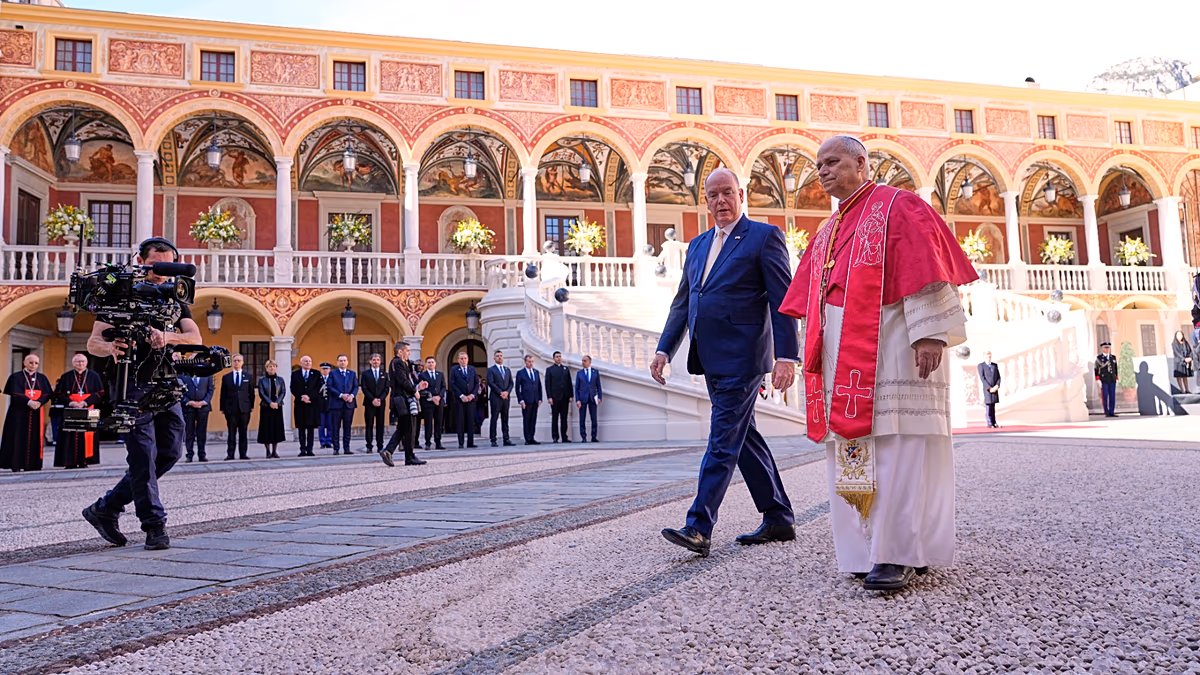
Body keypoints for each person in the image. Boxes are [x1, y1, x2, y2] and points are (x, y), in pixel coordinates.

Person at [777, 136, 978, 591]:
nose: (823, 171)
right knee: (854, 453)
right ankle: (864, 551)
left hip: (894, 348)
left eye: (833, 162)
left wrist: (930, 332)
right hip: (842, 361)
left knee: (899, 448)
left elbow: (926, 268)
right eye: (819, 165)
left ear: (861, 164)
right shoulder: (827, 230)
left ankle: (897, 554)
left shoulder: (898, 206)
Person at [651, 167, 799, 560]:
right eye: (713, 194)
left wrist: (786, 356)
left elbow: (782, 299)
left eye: (727, 193)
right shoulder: (698, 245)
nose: (721, 201)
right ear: (705, 200)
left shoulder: (763, 237)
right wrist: (664, 349)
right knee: (743, 437)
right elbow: (684, 301)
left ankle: (699, 526)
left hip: (744, 357)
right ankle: (778, 516)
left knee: (721, 441)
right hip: (710, 356)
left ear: (741, 194)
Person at [82, 237, 203, 550]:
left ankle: (106, 507)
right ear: (141, 261)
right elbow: (93, 342)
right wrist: (110, 347)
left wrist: (167, 335)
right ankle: (154, 526)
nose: (161, 273)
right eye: (155, 266)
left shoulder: (175, 298)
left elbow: (194, 337)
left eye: (168, 266)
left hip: (166, 381)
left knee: (171, 451)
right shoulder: (119, 294)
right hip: (130, 383)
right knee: (142, 455)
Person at [2, 353, 53, 472]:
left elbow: (47, 394)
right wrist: (29, 401)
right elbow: (15, 393)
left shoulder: (42, 378)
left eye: (36, 363)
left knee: (35, 437)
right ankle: (16, 464)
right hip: (19, 413)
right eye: (31, 363)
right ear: (24, 363)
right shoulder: (16, 377)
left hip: (36, 412)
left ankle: (33, 464)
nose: (33, 365)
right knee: (17, 437)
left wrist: (39, 402)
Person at [380, 341, 428, 467]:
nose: (409, 353)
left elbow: (407, 381)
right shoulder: (397, 362)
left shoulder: (402, 363)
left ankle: (392, 452)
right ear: (400, 352)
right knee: (408, 427)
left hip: (403, 399)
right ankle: (407, 456)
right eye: (407, 350)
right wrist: (415, 390)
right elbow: (403, 381)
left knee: (405, 427)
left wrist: (418, 386)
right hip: (401, 400)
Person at [53, 353, 105, 468]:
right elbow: (58, 394)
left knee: (86, 434)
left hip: (88, 409)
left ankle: (85, 460)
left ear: (86, 363)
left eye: (82, 361)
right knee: (69, 434)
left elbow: (100, 393)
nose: (80, 363)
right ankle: (69, 461)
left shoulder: (94, 376)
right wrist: (70, 402)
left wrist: (85, 402)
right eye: (78, 361)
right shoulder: (66, 376)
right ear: (73, 363)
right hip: (71, 409)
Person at [220, 354, 255, 460]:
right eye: (235, 360)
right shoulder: (226, 377)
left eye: (239, 360)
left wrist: (251, 406)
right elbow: (223, 394)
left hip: (244, 408)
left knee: (243, 432)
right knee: (231, 432)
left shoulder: (248, 376)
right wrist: (223, 408)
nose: (236, 362)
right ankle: (230, 454)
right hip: (231, 409)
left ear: (242, 362)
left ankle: (243, 454)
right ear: (232, 362)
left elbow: (251, 393)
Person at [291, 355, 322, 457]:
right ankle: (302, 449)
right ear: (301, 363)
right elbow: (293, 388)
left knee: (310, 428)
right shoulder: (295, 374)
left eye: (309, 361)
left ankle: (310, 449)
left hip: (312, 404)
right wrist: (301, 396)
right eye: (305, 361)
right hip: (300, 404)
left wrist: (309, 397)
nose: (308, 363)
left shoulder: (316, 374)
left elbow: (318, 388)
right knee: (301, 428)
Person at [327, 354, 359, 455]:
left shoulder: (352, 373)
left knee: (347, 427)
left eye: (344, 360)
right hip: (336, 404)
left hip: (349, 404)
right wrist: (341, 395)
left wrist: (351, 396)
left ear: (347, 362)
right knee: (335, 427)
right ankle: (336, 448)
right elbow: (329, 386)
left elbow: (355, 386)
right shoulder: (333, 373)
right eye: (340, 361)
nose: (342, 362)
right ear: (337, 362)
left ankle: (347, 448)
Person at [180, 371, 213, 463]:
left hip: (203, 407)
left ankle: (202, 454)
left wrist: (204, 402)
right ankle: (189, 454)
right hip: (189, 408)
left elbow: (210, 390)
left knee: (201, 432)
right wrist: (188, 402)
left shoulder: (207, 375)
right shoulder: (183, 376)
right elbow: (180, 391)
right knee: (189, 432)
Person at [256, 360, 286, 458]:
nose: (272, 368)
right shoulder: (262, 380)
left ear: (276, 367)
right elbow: (261, 393)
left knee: (276, 429)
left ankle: (275, 451)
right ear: (266, 368)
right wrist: (270, 403)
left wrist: (277, 402)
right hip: (266, 407)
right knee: (267, 429)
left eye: (273, 366)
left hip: (277, 407)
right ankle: (268, 451)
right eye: (270, 366)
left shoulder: (280, 380)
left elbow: (283, 392)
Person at [360, 353, 390, 453]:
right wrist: (372, 399)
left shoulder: (384, 374)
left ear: (380, 361)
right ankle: (369, 445)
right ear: (370, 361)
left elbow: (386, 389)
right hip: (369, 403)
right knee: (369, 425)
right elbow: (364, 388)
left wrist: (380, 399)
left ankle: (380, 445)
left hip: (381, 403)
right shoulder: (365, 374)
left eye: (377, 359)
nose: (376, 361)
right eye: (374, 359)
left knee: (380, 425)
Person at [449, 351, 479, 448]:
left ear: (468, 359)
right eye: (461, 358)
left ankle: (470, 442)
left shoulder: (472, 369)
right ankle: (461, 443)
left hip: (471, 399)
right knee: (460, 421)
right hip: (459, 400)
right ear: (458, 360)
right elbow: (452, 384)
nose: (463, 360)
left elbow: (476, 383)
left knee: (471, 421)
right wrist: (461, 395)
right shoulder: (454, 369)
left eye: (465, 358)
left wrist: (472, 395)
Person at [487, 350, 515, 447]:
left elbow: (511, 383)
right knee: (494, 418)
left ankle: (506, 439)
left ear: (503, 358)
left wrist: (507, 392)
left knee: (505, 418)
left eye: (501, 356)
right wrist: (500, 392)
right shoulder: (491, 370)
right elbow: (491, 383)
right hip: (496, 397)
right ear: (494, 358)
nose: (499, 357)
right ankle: (493, 439)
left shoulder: (507, 370)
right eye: (497, 356)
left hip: (506, 398)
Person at [417, 356, 446, 449]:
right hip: (428, 402)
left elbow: (443, 387)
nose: (431, 364)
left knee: (439, 423)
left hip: (439, 402)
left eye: (432, 362)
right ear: (426, 364)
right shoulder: (422, 375)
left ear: (435, 363)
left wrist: (439, 397)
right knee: (428, 423)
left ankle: (438, 442)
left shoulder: (440, 374)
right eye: (429, 362)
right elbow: (422, 389)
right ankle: (428, 442)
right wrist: (432, 397)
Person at [545, 351, 573, 443]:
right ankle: (555, 436)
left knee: (564, 418)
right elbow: (547, 384)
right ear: (553, 358)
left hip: (565, 397)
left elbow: (569, 383)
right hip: (555, 397)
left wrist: (571, 395)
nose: (559, 358)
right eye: (557, 357)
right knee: (555, 418)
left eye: (560, 356)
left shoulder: (565, 369)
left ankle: (564, 436)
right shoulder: (550, 370)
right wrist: (549, 397)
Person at [516, 354, 543, 445]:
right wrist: (521, 400)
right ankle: (527, 438)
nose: (531, 363)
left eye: (532, 361)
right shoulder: (520, 373)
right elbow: (517, 388)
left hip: (535, 400)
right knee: (526, 419)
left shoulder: (536, 372)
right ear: (525, 362)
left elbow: (539, 386)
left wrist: (540, 398)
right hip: (526, 401)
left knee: (533, 419)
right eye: (529, 361)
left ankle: (532, 437)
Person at [575, 355, 603, 442]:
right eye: (582, 361)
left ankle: (593, 436)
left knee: (594, 418)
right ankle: (583, 436)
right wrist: (577, 399)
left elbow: (598, 386)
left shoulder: (595, 372)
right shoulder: (579, 373)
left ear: (589, 362)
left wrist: (599, 396)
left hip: (592, 397)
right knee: (582, 418)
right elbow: (576, 388)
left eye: (585, 361)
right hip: (583, 398)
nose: (583, 362)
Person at [977, 352, 1001, 429]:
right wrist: (989, 388)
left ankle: (994, 422)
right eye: (987, 357)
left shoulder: (994, 365)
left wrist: (997, 385)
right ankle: (989, 423)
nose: (989, 358)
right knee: (988, 406)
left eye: (990, 357)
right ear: (984, 357)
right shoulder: (981, 366)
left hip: (995, 388)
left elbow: (998, 377)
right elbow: (982, 378)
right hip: (988, 389)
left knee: (993, 406)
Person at [1095, 342, 1118, 417]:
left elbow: (1115, 368)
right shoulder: (1099, 358)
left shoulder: (1113, 357)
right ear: (1102, 348)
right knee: (1105, 396)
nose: (1107, 349)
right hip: (1104, 380)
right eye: (1105, 348)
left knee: (1112, 396)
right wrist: (1097, 379)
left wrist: (1116, 377)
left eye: (1108, 348)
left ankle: (1112, 411)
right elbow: (1096, 369)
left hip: (1112, 379)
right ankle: (1106, 411)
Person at [317, 362, 333, 449]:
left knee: (330, 425)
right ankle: (322, 442)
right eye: (323, 369)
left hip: (330, 405)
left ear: (329, 370)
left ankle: (329, 441)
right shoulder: (318, 379)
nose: (325, 370)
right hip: (320, 406)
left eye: (327, 369)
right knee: (321, 425)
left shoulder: (332, 379)